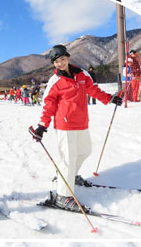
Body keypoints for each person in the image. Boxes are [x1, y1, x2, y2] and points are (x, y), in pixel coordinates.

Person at [29, 45, 122, 210]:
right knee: (68, 159)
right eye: (56, 61)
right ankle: (63, 196)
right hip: (65, 124)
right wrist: (42, 125)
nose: (60, 63)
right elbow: (48, 104)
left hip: (81, 121)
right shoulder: (55, 81)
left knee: (85, 150)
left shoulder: (81, 74)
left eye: (62, 59)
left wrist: (109, 99)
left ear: (68, 57)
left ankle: (68, 176)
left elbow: (92, 89)